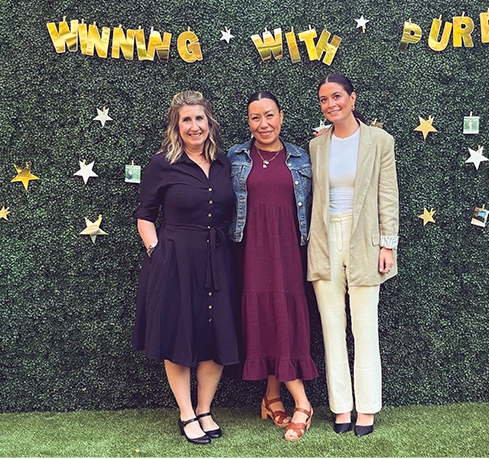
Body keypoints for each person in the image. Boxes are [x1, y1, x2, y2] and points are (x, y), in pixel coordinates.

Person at [132, 90, 239, 445]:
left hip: (218, 258)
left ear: (210, 122)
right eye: (186, 120)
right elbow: (145, 215)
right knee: (178, 333)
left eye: (199, 118)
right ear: (176, 126)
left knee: (216, 331)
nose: (194, 126)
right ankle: (186, 413)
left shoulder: (224, 163)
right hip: (175, 260)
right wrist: (157, 253)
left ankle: (205, 409)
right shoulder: (161, 164)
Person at [307, 73, 399, 437]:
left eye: (336, 96)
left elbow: (387, 194)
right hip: (325, 238)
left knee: (364, 327)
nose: (331, 104)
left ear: (352, 98)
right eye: (324, 99)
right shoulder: (317, 145)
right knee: (332, 327)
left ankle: (367, 408)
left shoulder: (379, 141)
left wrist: (387, 245)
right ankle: (341, 407)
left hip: (365, 239)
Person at [228, 91, 318, 442]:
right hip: (251, 249)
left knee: (285, 315)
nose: (263, 124)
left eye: (269, 115)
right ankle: (279, 398)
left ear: (281, 116)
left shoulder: (302, 158)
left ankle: (290, 399)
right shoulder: (235, 157)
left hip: (289, 250)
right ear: (248, 122)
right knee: (263, 315)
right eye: (255, 117)